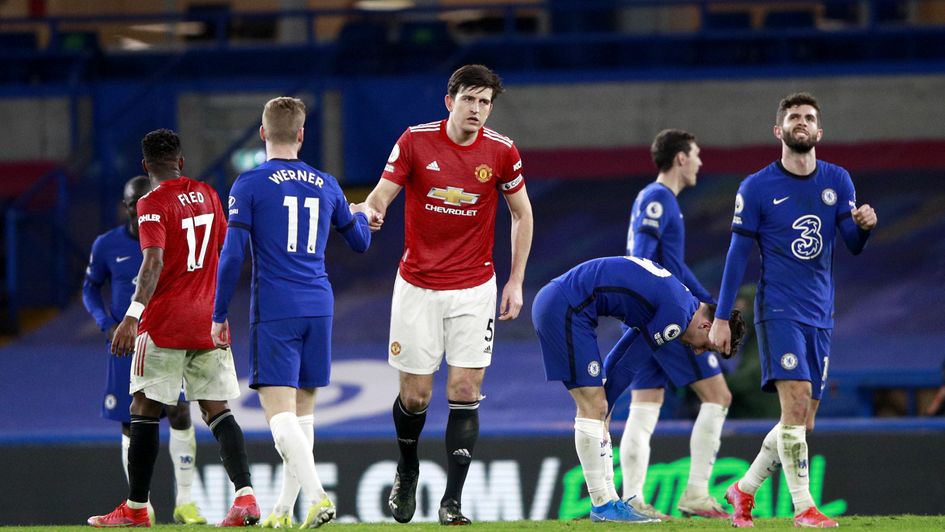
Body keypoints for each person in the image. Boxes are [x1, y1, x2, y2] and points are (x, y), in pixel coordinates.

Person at [364, 64, 533, 526]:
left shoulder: (502, 152)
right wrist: (370, 212)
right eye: (469, 100)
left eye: (484, 102)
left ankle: (452, 502)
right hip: (417, 286)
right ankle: (407, 468)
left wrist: (515, 280)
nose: (477, 110)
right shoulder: (415, 141)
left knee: (464, 389)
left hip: (475, 289)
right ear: (449, 102)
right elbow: (381, 196)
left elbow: (522, 214)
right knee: (416, 397)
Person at [708, 92, 878, 529]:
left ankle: (742, 490)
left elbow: (852, 245)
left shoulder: (838, 180)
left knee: (803, 420)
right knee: (796, 402)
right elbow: (735, 256)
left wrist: (864, 227)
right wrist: (723, 317)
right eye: (793, 117)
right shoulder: (757, 187)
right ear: (778, 130)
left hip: (821, 311)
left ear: (819, 132)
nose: (801, 122)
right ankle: (804, 509)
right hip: (778, 308)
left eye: (808, 118)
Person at [211, 96, 373, 528]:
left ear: (263, 133)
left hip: (277, 307)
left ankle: (318, 497)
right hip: (319, 305)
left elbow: (232, 256)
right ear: (302, 134)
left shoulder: (248, 184)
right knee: (303, 414)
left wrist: (218, 311)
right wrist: (360, 215)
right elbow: (359, 242)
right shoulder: (327, 183)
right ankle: (284, 510)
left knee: (278, 415)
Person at [88, 129, 260, 528]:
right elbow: (222, 251)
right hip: (207, 320)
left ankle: (135, 509)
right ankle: (246, 498)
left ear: (146, 166)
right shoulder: (207, 193)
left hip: (164, 323)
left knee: (143, 408)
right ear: (180, 162)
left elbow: (152, 263)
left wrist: (131, 316)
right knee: (217, 410)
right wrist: (218, 309)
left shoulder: (151, 202)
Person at [531, 255, 746, 523]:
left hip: (564, 304)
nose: (699, 351)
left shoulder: (682, 300)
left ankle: (610, 503)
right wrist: (604, 409)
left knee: (597, 407)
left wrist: (604, 408)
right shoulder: (677, 317)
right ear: (705, 325)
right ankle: (603, 506)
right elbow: (630, 364)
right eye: (707, 345)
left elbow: (623, 351)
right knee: (593, 407)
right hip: (566, 309)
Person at [618, 129, 732, 520]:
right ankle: (697, 493)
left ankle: (632, 500)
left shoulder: (655, 200)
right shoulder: (658, 198)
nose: (700, 162)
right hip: (666, 318)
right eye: (696, 154)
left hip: (647, 316)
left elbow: (673, 265)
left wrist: (708, 302)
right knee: (718, 396)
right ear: (681, 158)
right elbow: (644, 260)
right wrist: (691, 312)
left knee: (645, 404)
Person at [82, 175, 206, 526]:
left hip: (169, 337)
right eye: (137, 202)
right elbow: (90, 287)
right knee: (130, 422)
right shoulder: (107, 245)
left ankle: (186, 502)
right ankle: (142, 505)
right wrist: (106, 323)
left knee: (180, 411)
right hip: (128, 346)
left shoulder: (176, 238)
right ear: (127, 206)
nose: (145, 208)